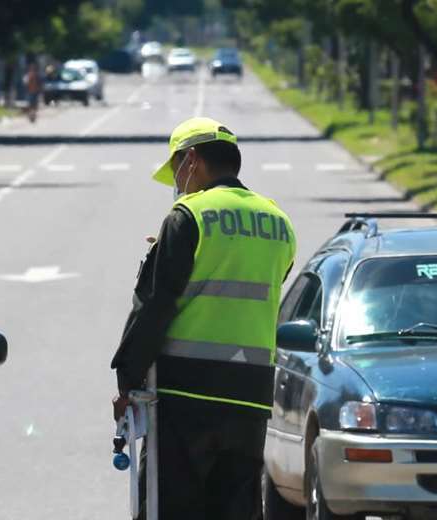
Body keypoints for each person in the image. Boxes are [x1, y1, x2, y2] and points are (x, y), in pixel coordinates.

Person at [110, 117, 297, 520]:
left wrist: (127, 380)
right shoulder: (279, 221)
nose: (178, 181)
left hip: (185, 396)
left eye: (177, 168)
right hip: (250, 397)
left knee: (168, 509)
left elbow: (156, 304)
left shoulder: (189, 216)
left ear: (191, 160)